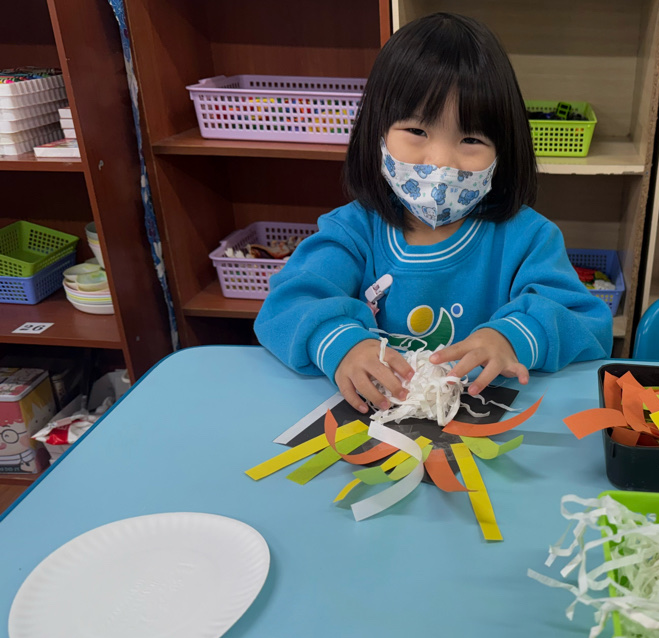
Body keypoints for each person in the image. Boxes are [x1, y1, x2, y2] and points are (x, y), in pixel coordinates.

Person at [255, 12, 612, 415]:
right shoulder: (351, 231)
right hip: (376, 426)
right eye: (417, 132)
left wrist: (512, 338)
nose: (441, 162)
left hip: (487, 426)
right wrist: (342, 345)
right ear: (377, 132)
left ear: (504, 150)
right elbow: (287, 306)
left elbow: (587, 322)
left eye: (471, 139)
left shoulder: (528, 238)